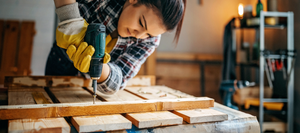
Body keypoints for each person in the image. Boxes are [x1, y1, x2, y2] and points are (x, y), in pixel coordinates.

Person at [45, 0, 186, 95]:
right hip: (61, 61)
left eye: (148, 34)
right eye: (141, 23)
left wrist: (99, 67)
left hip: (91, 84)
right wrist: (71, 21)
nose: (139, 36)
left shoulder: (151, 41)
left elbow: (121, 78)